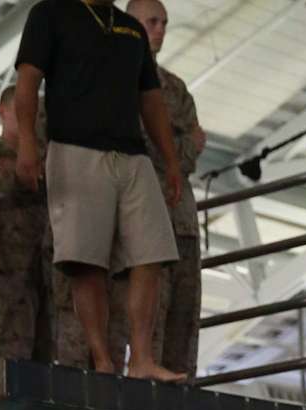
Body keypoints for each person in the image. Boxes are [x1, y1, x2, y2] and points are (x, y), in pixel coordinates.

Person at [14, 0, 184, 382]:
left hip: (132, 154)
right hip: (74, 148)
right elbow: (28, 82)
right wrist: (26, 142)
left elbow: (151, 101)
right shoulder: (50, 13)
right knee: (85, 261)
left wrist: (171, 161)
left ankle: (140, 359)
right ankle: (103, 360)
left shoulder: (131, 29)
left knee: (151, 253)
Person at [114, 0, 203, 375]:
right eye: (152, 21)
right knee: (149, 323)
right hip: (143, 220)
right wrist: (184, 145)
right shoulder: (115, 76)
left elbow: (187, 155)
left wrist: (178, 150)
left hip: (181, 219)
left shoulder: (175, 87)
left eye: (164, 22)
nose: (160, 29)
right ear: (130, 22)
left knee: (184, 324)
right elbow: (142, 145)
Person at [0, 85, 51, 363]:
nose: (31, 120)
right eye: (22, 111)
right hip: (11, 268)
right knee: (14, 352)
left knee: (47, 349)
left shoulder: (47, 156)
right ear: (3, 112)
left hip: (45, 261)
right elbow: (3, 186)